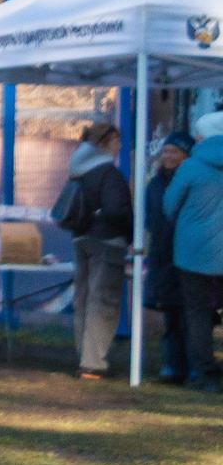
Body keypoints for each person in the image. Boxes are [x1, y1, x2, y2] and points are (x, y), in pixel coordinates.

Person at [58, 120, 135, 381]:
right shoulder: (108, 173)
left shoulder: (78, 170)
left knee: (84, 299)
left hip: (82, 240)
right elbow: (116, 211)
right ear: (104, 144)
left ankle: (84, 356)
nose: (120, 146)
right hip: (107, 242)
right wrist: (130, 231)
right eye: (116, 141)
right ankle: (93, 363)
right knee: (104, 302)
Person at [161, 111, 223, 391]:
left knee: (197, 313)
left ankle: (205, 373)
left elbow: (169, 205)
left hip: (193, 252)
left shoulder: (192, 166)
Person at [146, 132, 194, 384]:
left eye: (174, 151)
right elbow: (148, 217)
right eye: (165, 151)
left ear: (186, 155)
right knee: (171, 315)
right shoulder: (155, 184)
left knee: (191, 316)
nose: (167, 156)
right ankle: (172, 366)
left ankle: (190, 366)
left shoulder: (190, 181)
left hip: (187, 254)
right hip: (163, 256)